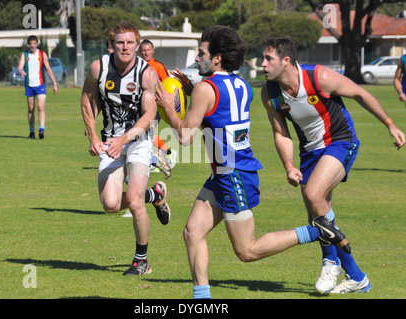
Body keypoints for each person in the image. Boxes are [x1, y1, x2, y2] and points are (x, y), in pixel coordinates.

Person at [155, 25, 348, 299]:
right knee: (192, 231)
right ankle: (202, 298)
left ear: (217, 57)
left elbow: (185, 136)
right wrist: (191, 90)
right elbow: (216, 110)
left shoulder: (205, 89)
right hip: (230, 171)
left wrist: (167, 105)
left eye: (201, 53)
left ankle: (315, 231)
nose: (197, 58)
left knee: (247, 251)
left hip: (231, 176)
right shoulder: (241, 86)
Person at [260, 37, 405, 294]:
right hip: (309, 153)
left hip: (340, 141)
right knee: (319, 213)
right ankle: (357, 276)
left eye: (268, 59)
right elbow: (281, 133)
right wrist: (289, 165)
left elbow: (361, 93)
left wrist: (390, 124)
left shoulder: (319, 77)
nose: (262, 64)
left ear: (286, 61)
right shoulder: (269, 93)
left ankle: (330, 262)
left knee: (313, 195)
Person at [80, 21, 171, 276]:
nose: (126, 47)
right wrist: (91, 136)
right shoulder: (98, 67)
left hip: (139, 142)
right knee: (110, 204)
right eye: (120, 42)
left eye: (131, 42)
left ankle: (141, 261)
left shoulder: (146, 73)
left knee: (133, 202)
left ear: (137, 44)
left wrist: (124, 140)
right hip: (110, 142)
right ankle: (156, 195)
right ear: (113, 44)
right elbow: (86, 100)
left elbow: (148, 116)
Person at [139, 39, 177, 176]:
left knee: (146, 133)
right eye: (143, 50)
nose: (145, 52)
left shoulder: (158, 66)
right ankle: (165, 155)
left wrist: (168, 103)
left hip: (155, 105)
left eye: (148, 50)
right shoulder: (138, 65)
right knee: (146, 133)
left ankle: (158, 158)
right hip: (142, 105)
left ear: (153, 51)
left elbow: (167, 83)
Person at [18, 35, 58, 139]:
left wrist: (54, 83)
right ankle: (31, 132)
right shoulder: (25, 54)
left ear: (37, 44)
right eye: (30, 44)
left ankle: (41, 129)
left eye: (34, 43)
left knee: (40, 107)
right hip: (29, 85)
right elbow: (20, 67)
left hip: (40, 84)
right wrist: (20, 71)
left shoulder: (42, 54)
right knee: (31, 108)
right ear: (28, 44)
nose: (32, 45)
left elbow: (48, 69)